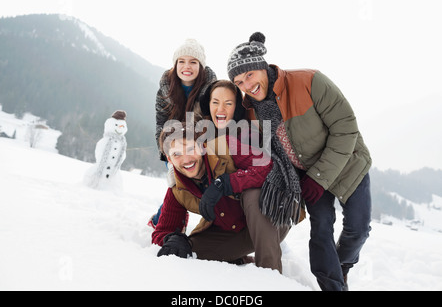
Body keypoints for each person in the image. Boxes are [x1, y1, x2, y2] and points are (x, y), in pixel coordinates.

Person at [227, 32, 372, 291]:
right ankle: (333, 287)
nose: (246, 85)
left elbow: (346, 127)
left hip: (348, 163)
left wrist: (320, 178)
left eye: (249, 75)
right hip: (305, 174)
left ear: (262, 66)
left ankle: (342, 266)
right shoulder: (250, 110)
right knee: (321, 231)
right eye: (239, 82)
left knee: (358, 230)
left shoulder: (309, 81)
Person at [152, 94, 289, 273]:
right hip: (232, 234)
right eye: (177, 154)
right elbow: (160, 232)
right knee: (187, 250)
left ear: (201, 147)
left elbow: (269, 168)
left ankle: (271, 276)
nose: (186, 159)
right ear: (169, 159)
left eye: (190, 149)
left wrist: (226, 183)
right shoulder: (178, 189)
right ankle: (235, 259)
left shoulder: (225, 146)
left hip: (271, 220)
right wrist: (172, 238)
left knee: (253, 194)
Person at [149, 39, 217, 228]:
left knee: (201, 187)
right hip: (174, 147)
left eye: (193, 62)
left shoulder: (211, 88)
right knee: (177, 186)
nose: (186, 67)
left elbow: (214, 122)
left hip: (200, 145)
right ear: (175, 64)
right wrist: (167, 156)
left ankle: (218, 230)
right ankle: (164, 223)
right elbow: (160, 124)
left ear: (201, 66)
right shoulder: (165, 89)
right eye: (182, 61)